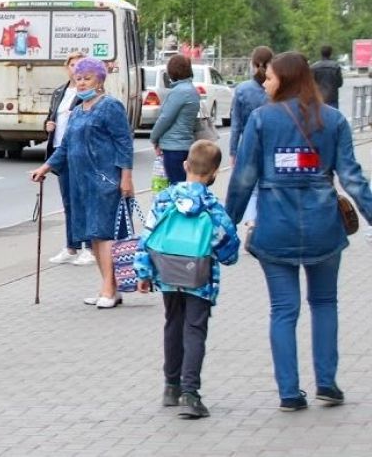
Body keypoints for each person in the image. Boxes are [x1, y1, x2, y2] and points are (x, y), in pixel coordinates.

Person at [226, 51, 372, 411]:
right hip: (324, 224)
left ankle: (289, 392)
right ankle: (327, 383)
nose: (265, 82)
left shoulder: (261, 120)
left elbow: (244, 179)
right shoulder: (334, 120)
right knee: (324, 303)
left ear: (286, 80)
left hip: (275, 226)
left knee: (282, 309)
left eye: (271, 77)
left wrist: (226, 225)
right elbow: (352, 177)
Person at [134, 140, 240, 420]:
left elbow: (147, 236)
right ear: (215, 173)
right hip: (200, 277)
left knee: (173, 324)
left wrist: (144, 273)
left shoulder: (165, 199)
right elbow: (227, 248)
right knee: (195, 330)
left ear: (184, 166)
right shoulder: (212, 206)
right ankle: (190, 393)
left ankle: (171, 386)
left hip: (168, 272)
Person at [29, 57, 134, 309]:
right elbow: (65, 147)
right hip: (80, 181)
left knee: (104, 234)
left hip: (105, 180)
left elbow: (124, 143)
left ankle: (109, 289)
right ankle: (109, 288)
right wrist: (45, 167)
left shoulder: (110, 106)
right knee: (94, 236)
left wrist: (126, 177)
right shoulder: (77, 110)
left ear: (99, 80)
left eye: (87, 78)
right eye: (78, 78)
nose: (82, 82)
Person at [44, 51, 93, 266]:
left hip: (80, 151)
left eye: (80, 65)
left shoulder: (90, 93)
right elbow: (51, 116)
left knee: (83, 199)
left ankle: (89, 246)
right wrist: (48, 125)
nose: (76, 69)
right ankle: (71, 245)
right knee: (68, 201)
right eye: (72, 65)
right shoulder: (60, 92)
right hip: (60, 148)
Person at [230, 46, 273, 226]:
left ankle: (251, 221)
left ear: (253, 64)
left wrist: (233, 151)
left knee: (250, 186)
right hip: (271, 145)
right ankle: (265, 220)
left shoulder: (242, 89)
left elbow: (235, 125)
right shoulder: (275, 88)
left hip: (248, 146)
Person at [150, 55, 201, 186]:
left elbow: (165, 118)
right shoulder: (192, 90)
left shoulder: (179, 92)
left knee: (177, 188)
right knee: (185, 186)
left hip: (174, 147)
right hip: (186, 143)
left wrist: (154, 137)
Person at [310, 45, 343, 109]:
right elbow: (340, 83)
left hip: (318, 97)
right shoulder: (335, 66)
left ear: (321, 53)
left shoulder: (314, 67)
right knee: (333, 116)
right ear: (330, 53)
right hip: (332, 97)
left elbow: (311, 83)